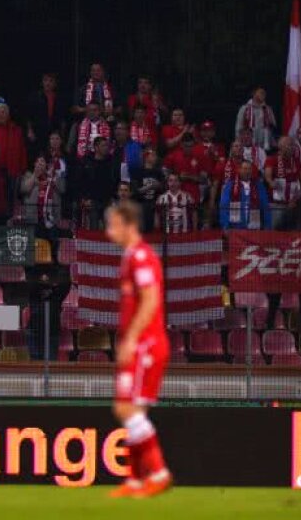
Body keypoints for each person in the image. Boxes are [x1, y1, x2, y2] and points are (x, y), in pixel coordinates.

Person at [104, 201, 173, 498]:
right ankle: (134, 480)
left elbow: (151, 300)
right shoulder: (131, 256)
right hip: (141, 342)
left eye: (113, 225)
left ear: (129, 225)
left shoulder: (142, 256)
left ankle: (159, 473)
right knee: (133, 410)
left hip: (146, 343)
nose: (108, 232)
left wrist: (131, 340)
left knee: (125, 407)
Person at [72, 136, 117, 229]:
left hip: (107, 200)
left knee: (108, 230)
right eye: (103, 145)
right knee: (93, 229)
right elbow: (80, 182)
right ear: (96, 147)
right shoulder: (86, 162)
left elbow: (114, 180)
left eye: (106, 145)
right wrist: (83, 198)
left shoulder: (110, 162)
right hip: (92, 202)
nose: (106, 148)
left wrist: (113, 197)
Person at [219, 160, 270, 230]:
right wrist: (225, 226)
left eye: (249, 169)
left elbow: (265, 207)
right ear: (239, 170)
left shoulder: (258, 186)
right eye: (245, 169)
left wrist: (267, 227)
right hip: (235, 228)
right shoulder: (230, 185)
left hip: (254, 228)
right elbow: (224, 206)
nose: (247, 171)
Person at [264, 136, 301, 230]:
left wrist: (295, 199)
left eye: (292, 145)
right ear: (280, 147)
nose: (291, 147)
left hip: (292, 204)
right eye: (288, 145)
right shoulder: (272, 159)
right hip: (276, 204)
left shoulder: (297, 162)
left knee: (291, 231)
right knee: (273, 230)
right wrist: (271, 182)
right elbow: (267, 177)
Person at [19, 155, 63, 235]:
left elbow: (62, 189)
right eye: (38, 162)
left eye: (42, 162)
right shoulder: (28, 175)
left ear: (46, 165)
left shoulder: (52, 177)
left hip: (50, 220)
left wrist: (51, 176)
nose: (40, 164)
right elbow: (24, 189)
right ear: (34, 164)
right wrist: (35, 175)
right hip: (33, 219)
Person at [24, 72, 64, 153]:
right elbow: (28, 115)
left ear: (55, 83)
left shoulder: (59, 98)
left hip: (53, 132)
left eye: (50, 81)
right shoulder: (35, 96)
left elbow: (61, 118)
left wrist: (61, 133)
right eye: (45, 80)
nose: (48, 83)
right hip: (37, 131)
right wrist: (30, 130)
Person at [130, 147, 165, 232]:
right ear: (146, 157)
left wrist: (159, 186)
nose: (155, 157)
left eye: (155, 155)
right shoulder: (137, 172)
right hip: (141, 205)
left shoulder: (158, 172)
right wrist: (150, 187)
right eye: (153, 155)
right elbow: (135, 192)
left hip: (155, 205)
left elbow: (163, 189)